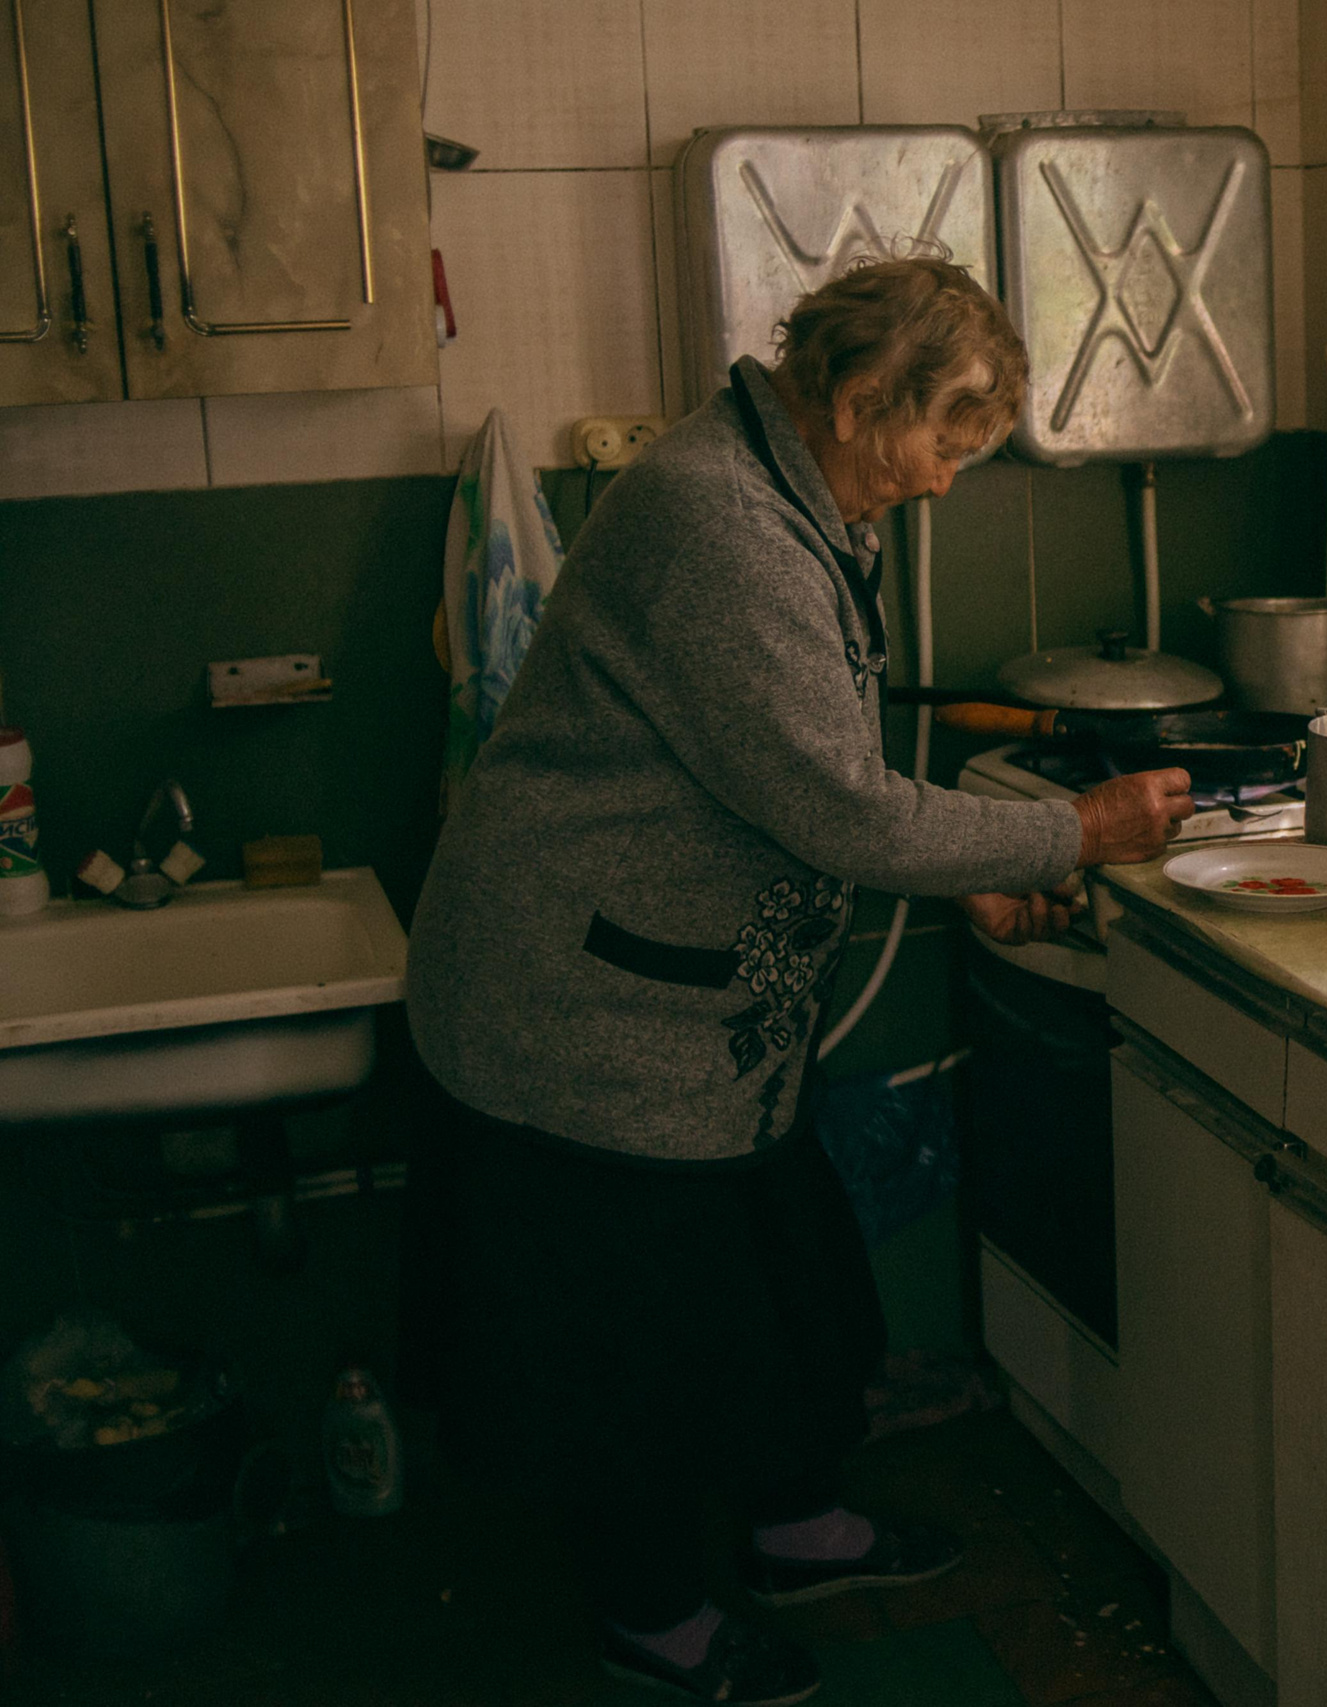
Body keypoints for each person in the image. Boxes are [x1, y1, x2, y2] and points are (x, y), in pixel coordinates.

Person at [400, 256, 1194, 1707]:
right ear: (851, 396)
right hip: (577, 1009)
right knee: (625, 1340)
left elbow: (790, 779)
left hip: (696, 1011)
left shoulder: (798, 491)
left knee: (778, 1282)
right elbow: (840, 805)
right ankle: (653, 1619)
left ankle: (796, 1528)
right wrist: (1072, 828)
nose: (950, 480)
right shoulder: (722, 522)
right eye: (944, 437)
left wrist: (979, 869)